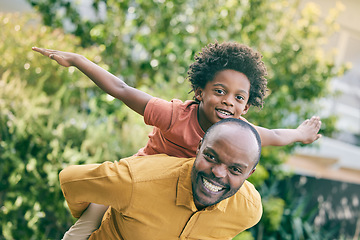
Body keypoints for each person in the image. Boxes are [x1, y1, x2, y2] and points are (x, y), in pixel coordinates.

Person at [32, 42, 322, 238]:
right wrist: (77, 60)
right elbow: (121, 89)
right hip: (140, 181)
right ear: (200, 92)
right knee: (88, 224)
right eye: (219, 91)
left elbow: (275, 135)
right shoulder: (173, 115)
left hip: (182, 191)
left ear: (245, 107)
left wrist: (300, 134)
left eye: (238, 97)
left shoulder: (240, 135)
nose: (227, 102)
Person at [59, 118, 263, 240]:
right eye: (211, 157)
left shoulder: (248, 210)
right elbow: (70, 180)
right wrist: (91, 215)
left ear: (249, 174)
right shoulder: (137, 181)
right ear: (199, 147)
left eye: (235, 169)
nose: (218, 173)